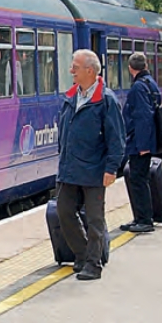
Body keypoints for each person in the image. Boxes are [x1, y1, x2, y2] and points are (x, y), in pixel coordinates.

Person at [56, 49, 125, 281]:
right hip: (69, 168)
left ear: (89, 70)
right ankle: (83, 254)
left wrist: (111, 168)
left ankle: (93, 264)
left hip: (94, 169)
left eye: (75, 66)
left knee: (95, 219)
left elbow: (116, 138)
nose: (71, 71)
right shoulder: (70, 97)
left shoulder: (106, 101)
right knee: (64, 211)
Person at [120, 52, 157, 234]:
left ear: (130, 68)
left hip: (139, 143)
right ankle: (140, 217)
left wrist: (142, 146)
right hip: (144, 140)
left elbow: (143, 117)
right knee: (138, 179)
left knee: (138, 180)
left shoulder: (138, 88)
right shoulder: (150, 83)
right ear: (146, 66)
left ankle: (144, 219)